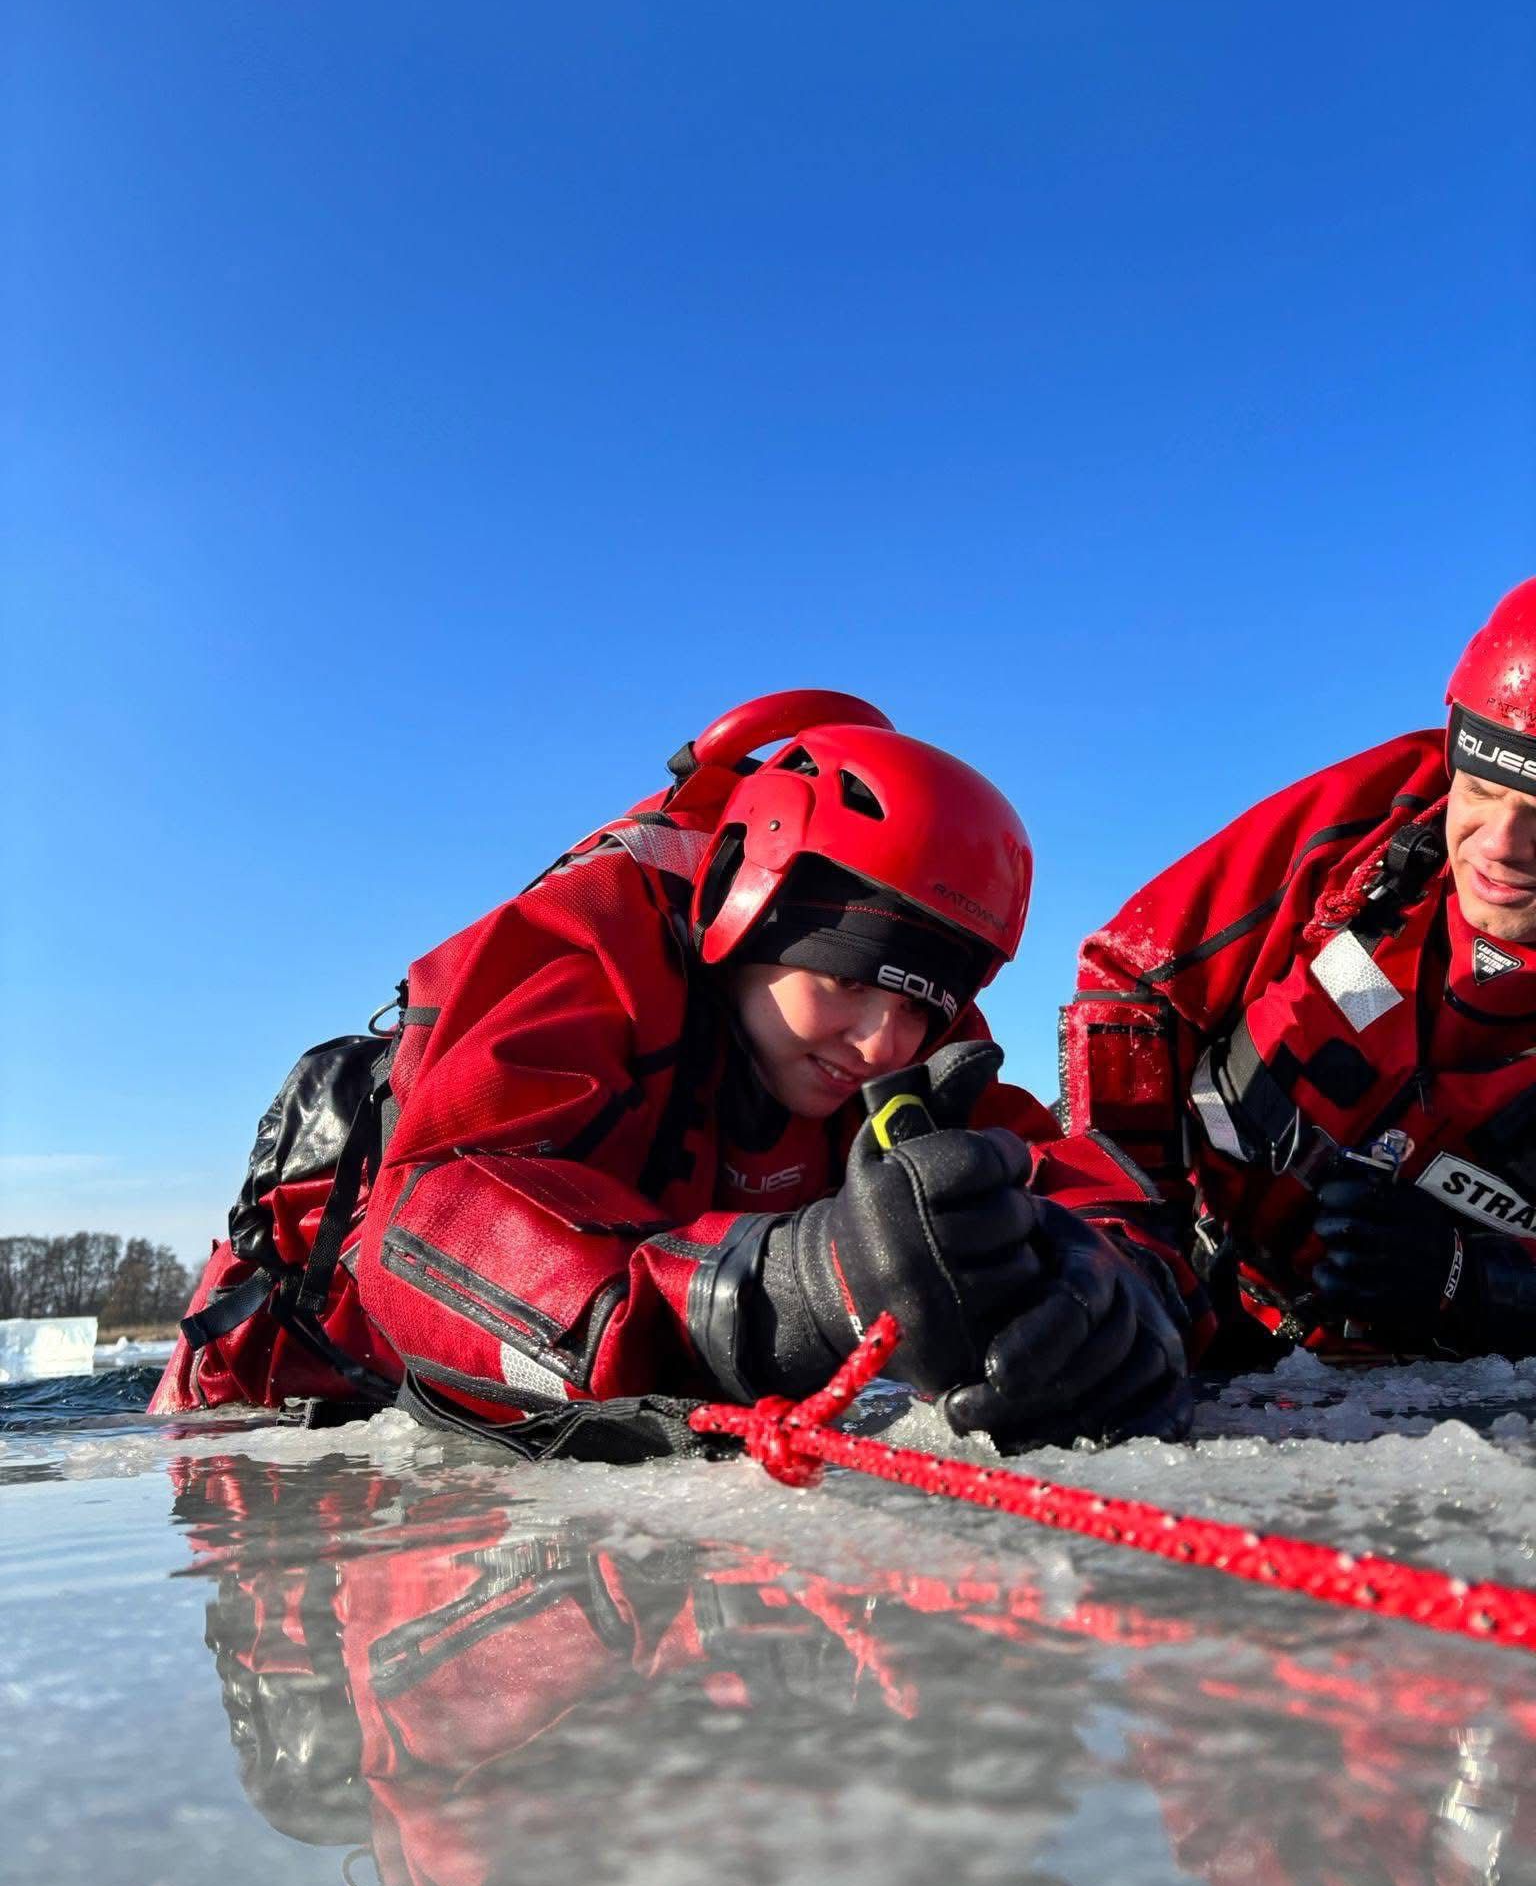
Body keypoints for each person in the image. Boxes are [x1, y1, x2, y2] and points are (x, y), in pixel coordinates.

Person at [353, 688, 1191, 1446]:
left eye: (920, 1006)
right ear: (743, 909)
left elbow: (1047, 1167)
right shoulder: (595, 951)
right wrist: (778, 1295)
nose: (884, 1047)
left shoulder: (912, 1037)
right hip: (338, 1374)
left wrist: (1114, 1280)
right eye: (846, 981)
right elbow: (431, 1225)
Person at [1059, 579, 1536, 1368]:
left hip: (1427, 1388)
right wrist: (1132, 1252)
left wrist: (1474, 1284)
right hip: (1198, 1300)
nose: (1501, 844)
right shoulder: (1375, 826)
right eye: (1481, 788)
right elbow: (1136, 982)